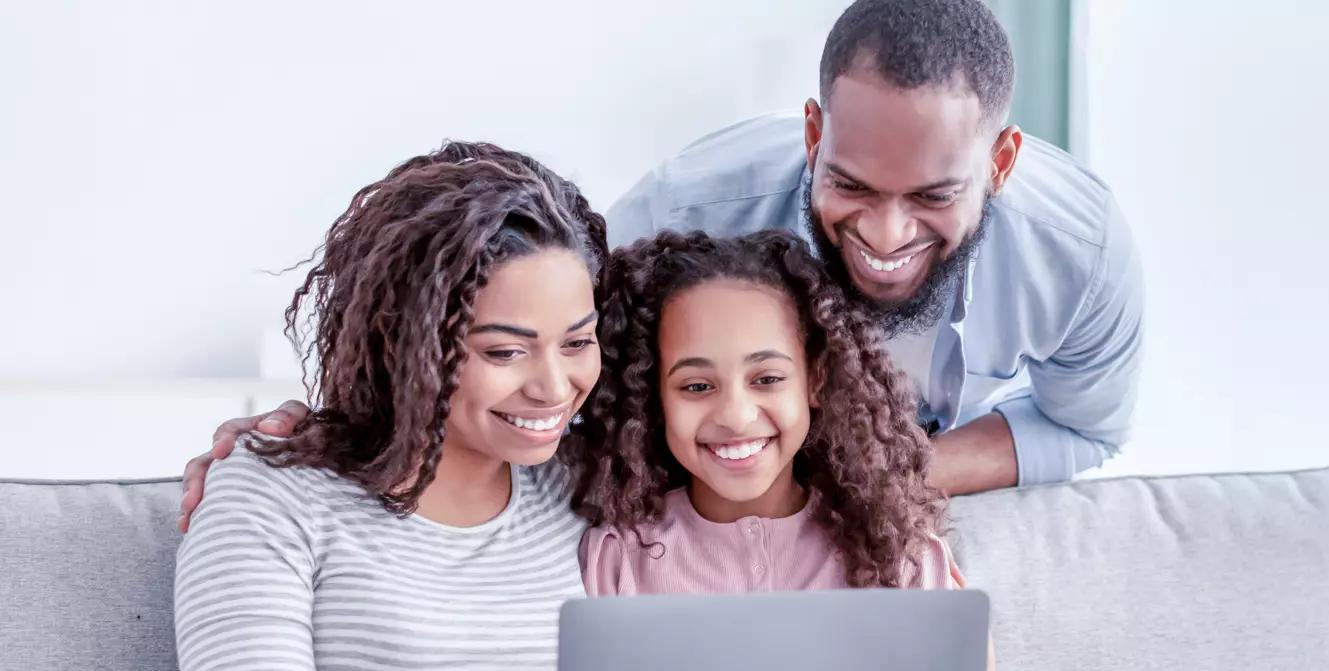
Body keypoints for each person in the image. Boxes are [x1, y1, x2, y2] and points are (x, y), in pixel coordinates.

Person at [176, 0, 1145, 521]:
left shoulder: (1082, 252)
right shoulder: (689, 205)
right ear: (812, 133)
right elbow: (526, 353)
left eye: (933, 197)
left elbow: (1082, 428)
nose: (888, 235)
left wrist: (868, 477)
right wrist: (335, 430)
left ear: (1004, 161)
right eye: (852, 185)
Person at [176, 142, 607, 671]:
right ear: (407, 342)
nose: (553, 385)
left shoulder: (592, 489)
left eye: (578, 342)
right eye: (504, 351)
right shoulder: (273, 494)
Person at [574, 227, 999, 671]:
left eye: (767, 378)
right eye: (696, 386)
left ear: (815, 379)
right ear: (656, 398)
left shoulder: (900, 556)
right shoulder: (617, 561)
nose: (736, 414)